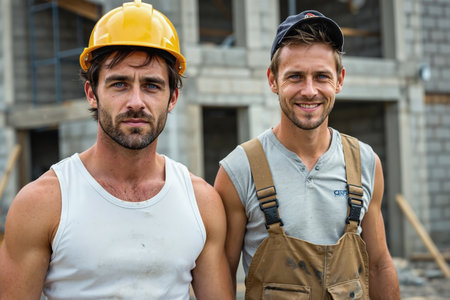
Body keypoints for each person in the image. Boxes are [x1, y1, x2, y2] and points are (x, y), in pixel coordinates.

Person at [0, 1, 233, 299]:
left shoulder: (202, 203)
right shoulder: (43, 203)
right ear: (92, 93)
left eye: (151, 85)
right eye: (119, 84)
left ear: (173, 98)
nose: (136, 101)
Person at [215, 10, 400, 300]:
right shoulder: (239, 169)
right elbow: (220, 273)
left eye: (321, 76)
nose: (310, 90)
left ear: (339, 80)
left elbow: (378, 265)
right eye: (296, 77)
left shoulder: (365, 162)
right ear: (273, 80)